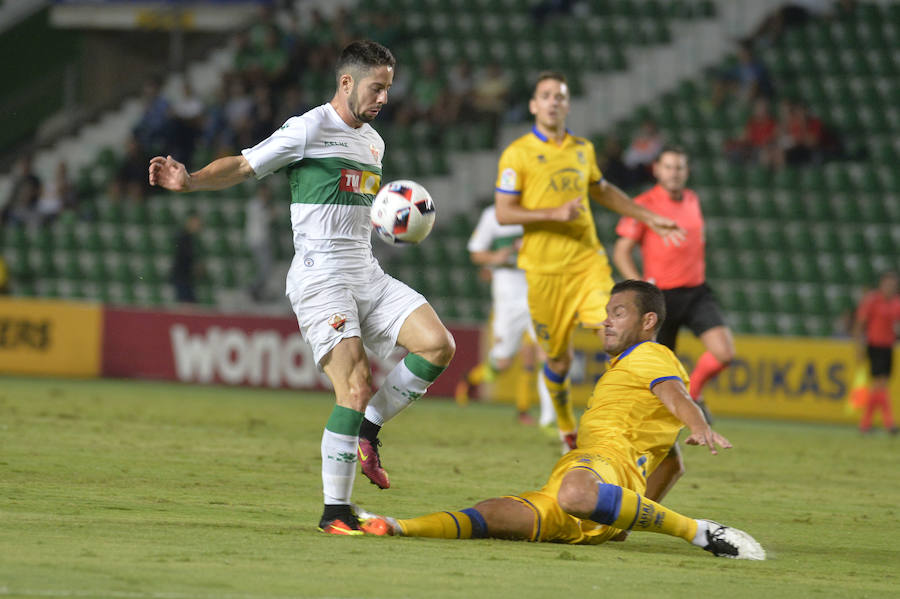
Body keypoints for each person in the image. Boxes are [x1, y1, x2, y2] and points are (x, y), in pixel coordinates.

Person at [148, 40, 456, 535]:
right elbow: (246, 165)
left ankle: (369, 430)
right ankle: (335, 512)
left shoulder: (374, 143)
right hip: (320, 276)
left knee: (439, 345)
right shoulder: (308, 128)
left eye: (389, 89)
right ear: (347, 83)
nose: (383, 98)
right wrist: (191, 181)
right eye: (377, 88)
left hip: (366, 272)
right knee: (354, 385)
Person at [358, 281, 765, 561]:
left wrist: (697, 424)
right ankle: (396, 526)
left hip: (599, 472)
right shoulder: (628, 369)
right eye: (606, 312)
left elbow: (676, 394)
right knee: (495, 515)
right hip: (599, 505)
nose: (606, 320)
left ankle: (700, 532)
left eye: (618, 313)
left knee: (574, 493)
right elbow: (672, 462)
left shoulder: (652, 356)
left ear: (648, 323)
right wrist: (626, 520)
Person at [493, 71, 684, 451]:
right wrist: (553, 214)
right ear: (534, 105)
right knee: (558, 362)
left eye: (560, 96)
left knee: (618, 332)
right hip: (544, 273)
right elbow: (504, 212)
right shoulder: (517, 154)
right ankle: (566, 427)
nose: (553, 102)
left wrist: (646, 215)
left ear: (567, 104)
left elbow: (603, 190)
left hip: (587, 264)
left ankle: (630, 420)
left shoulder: (582, 149)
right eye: (545, 95)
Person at [613, 146, 734, 422]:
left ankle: (694, 393)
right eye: (668, 167)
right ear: (656, 169)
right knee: (658, 374)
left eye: (679, 167)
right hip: (661, 297)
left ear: (686, 172)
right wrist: (640, 288)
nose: (674, 173)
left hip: (695, 292)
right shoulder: (643, 204)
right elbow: (621, 251)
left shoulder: (692, 199)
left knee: (724, 353)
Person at [454, 204, 555, 428]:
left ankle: (544, 416)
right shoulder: (492, 214)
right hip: (508, 297)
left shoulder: (538, 210)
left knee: (544, 354)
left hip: (537, 291)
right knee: (503, 361)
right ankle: (470, 379)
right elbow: (477, 254)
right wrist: (497, 256)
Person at [853, 271, 900, 435]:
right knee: (880, 383)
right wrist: (858, 347)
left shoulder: (896, 303)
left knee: (880, 385)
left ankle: (865, 424)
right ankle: (889, 423)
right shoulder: (872, 300)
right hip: (875, 346)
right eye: (888, 284)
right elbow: (860, 323)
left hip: (888, 347)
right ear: (881, 284)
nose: (891, 287)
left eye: (893, 285)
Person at [245, 183, 275, 302]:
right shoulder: (255, 205)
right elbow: (264, 219)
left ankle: (257, 290)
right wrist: (271, 214)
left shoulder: (262, 205)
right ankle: (253, 288)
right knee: (264, 267)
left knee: (266, 267)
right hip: (257, 240)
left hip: (262, 240)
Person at [170, 211, 203, 303]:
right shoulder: (184, 237)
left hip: (185, 276)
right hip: (182, 276)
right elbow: (186, 256)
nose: (198, 226)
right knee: (186, 303)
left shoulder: (189, 237)